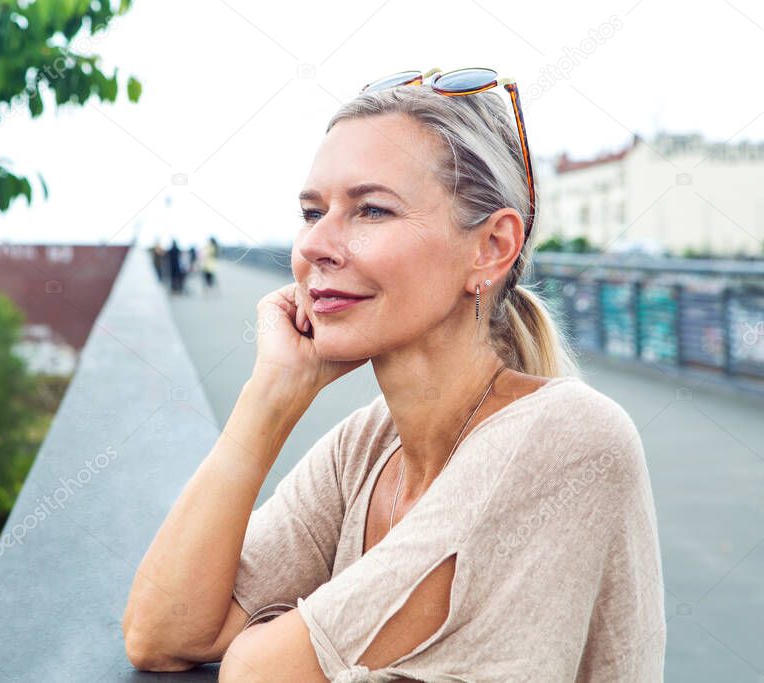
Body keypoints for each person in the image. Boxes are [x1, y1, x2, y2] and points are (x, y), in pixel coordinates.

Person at [123, 73, 665, 681]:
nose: (316, 245)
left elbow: (258, 671)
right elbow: (161, 632)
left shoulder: (568, 437)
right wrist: (270, 399)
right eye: (311, 212)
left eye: (371, 210)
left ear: (491, 247)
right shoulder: (365, 450)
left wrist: (264, 643)